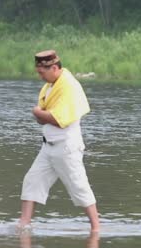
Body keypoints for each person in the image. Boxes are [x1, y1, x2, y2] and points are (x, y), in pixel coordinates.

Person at [19, 50, 100, 231]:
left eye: (42, 72)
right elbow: (43, 117)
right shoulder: (49, 86)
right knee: (32, 181)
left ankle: (96, 228)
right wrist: (40, 114)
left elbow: (58, 120)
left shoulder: (69, 86)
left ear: (54, 68)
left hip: (66, 147)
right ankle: (23, 225)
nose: (40, 76)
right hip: (48, 146)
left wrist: (37, 112)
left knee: (79, 186)